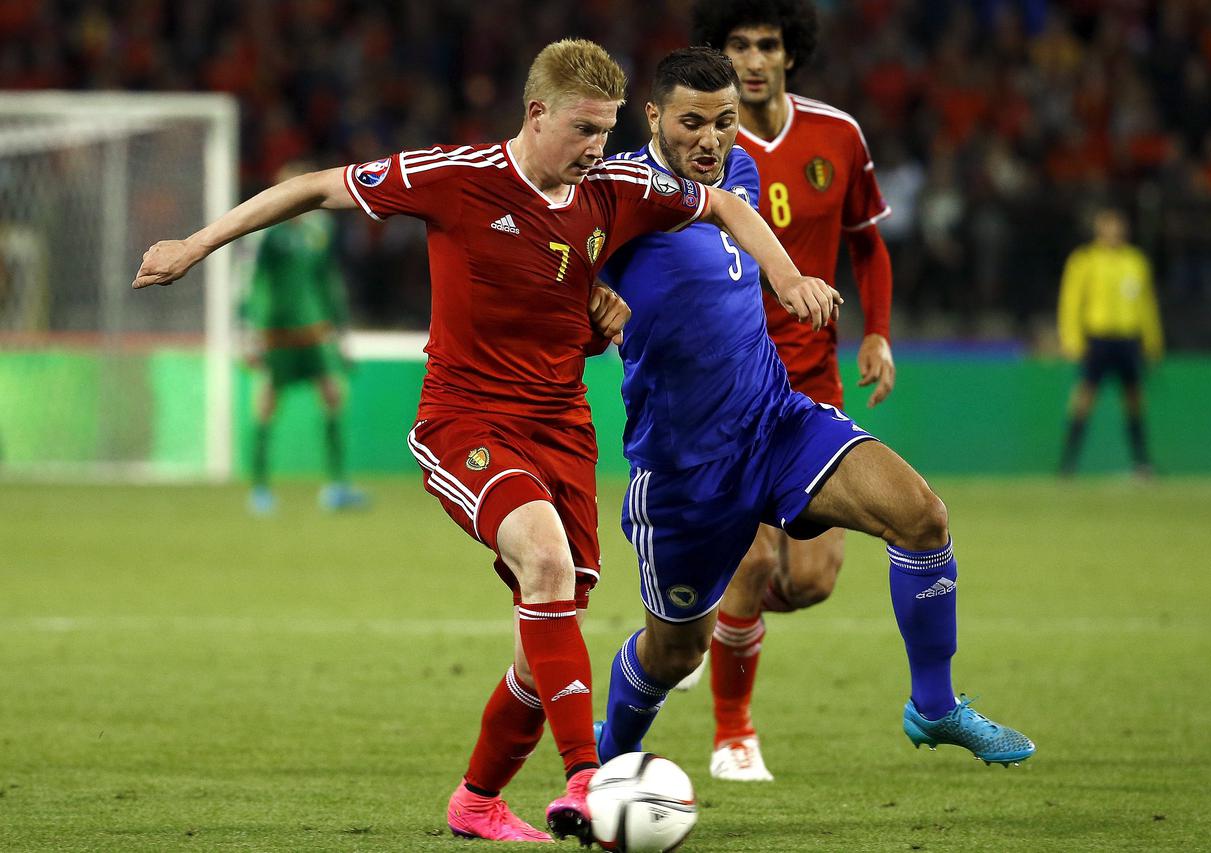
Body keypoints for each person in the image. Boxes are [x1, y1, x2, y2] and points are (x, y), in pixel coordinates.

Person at [132, 39, 839, 844]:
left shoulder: (612, 183)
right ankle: (588, 777)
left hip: (563, 429)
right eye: (582, 131)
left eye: (607, 132)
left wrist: (781, 279)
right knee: (543, 560)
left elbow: (723, 207)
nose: (596, 151)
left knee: (542, 654)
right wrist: (195, 245)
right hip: (466, 420)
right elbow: (314, 188)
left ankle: (475, 800)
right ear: (537, 115)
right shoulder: (455, 177)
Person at [594, 46, 1034, 780]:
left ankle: (934, 702)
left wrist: (793, 279)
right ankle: (608, 760)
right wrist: (590, 305)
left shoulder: (736, 170)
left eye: (726, 122)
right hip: (684, 470)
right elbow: (555, 271)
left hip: (775, 421)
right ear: (652, 117)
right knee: (674, 651)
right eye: (692, 122)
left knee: (921, 515)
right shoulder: (611, 191)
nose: (711, 140)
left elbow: (740, 226)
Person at [685, 0, 899, 781]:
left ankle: (698, 630)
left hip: (814, 385)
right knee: (748, 562)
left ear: (790, 53)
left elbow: (866, 242)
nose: (751, 58)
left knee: (809, 581)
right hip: (730, 386)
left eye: (766, 44)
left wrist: (876, 330)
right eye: (736, 44)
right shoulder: (698, 142)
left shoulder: (838, 135)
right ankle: (733, 733)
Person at [241, 162, 365, 514]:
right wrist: (252, 333)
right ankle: (260, 488)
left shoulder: (320, 230)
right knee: (266, 403)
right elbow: (256, 284)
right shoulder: (267, 234)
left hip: (314, 329)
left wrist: (340, 330)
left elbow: (328, 280)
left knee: (333, 396)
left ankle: (337, 485)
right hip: (278, 333)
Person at [1058, 206, 1164, 476]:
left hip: (1128, 340)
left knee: (1134, 401)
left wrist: (1152, 340)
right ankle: (1067, 464)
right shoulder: (1085, 260)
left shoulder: (1135, 261)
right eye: (1109, 226)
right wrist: (1071, 338)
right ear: (1099, 229)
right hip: (1098, 340)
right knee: (1084, 399)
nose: (1114, 232)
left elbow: (1146, 303)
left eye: (1118, 227)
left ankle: (1142, 463)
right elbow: (1071, 301)